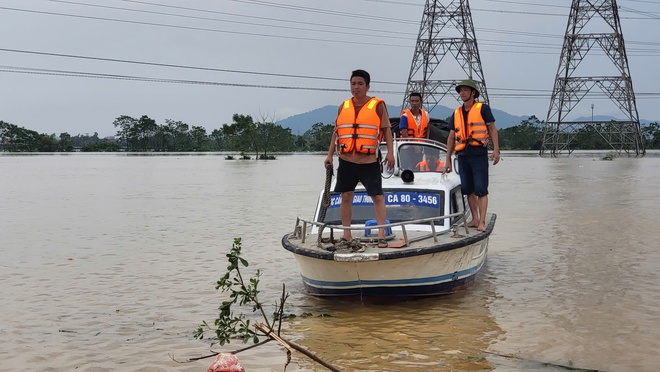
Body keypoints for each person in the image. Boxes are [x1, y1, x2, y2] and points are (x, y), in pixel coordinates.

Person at [324, 69, 395, 248]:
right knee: (345, 196)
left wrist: (391, 153)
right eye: (353, 84)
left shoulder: (377, 105)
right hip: (347, 160)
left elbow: (386, 130)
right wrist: (330, 155)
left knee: (377, 197)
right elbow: (336, 132)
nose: (356, 87)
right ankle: (346, 234)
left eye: (360, 84)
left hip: (369, 161)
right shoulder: (344, 106)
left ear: (367, 86)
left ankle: (381, 234)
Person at [444, 79, 500, 232]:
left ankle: (482, 221)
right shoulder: (456, 113)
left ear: (473, 93)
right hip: (462, 154)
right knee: (468, 189)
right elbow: (451, 137)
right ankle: (474, 218)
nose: (462, 93)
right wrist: (447, 160)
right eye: (460, 90)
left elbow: (493, 130)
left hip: (478, 153)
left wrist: (496, 150)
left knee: (481, 188)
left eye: (465, 90)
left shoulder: (483, 108)